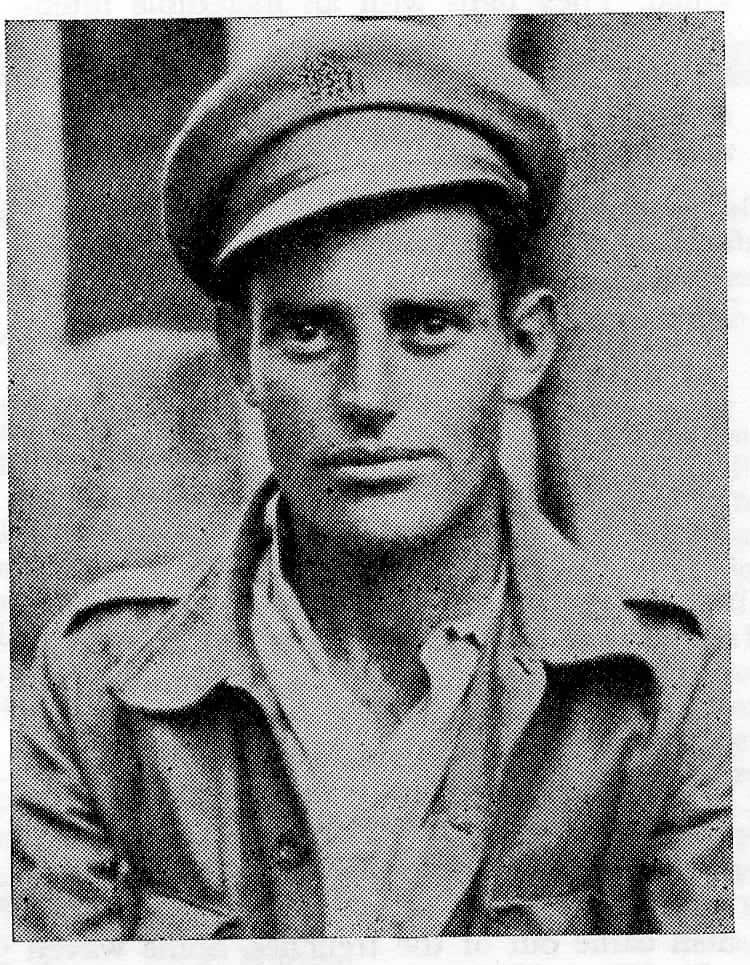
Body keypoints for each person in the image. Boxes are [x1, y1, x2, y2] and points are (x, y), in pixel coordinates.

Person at [12, 22, 732, 939]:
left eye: (426, 326)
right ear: (241, 356)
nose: (367, 396)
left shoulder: (672, 692)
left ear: (524, 347)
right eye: (310, 332)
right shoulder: (96, 690)